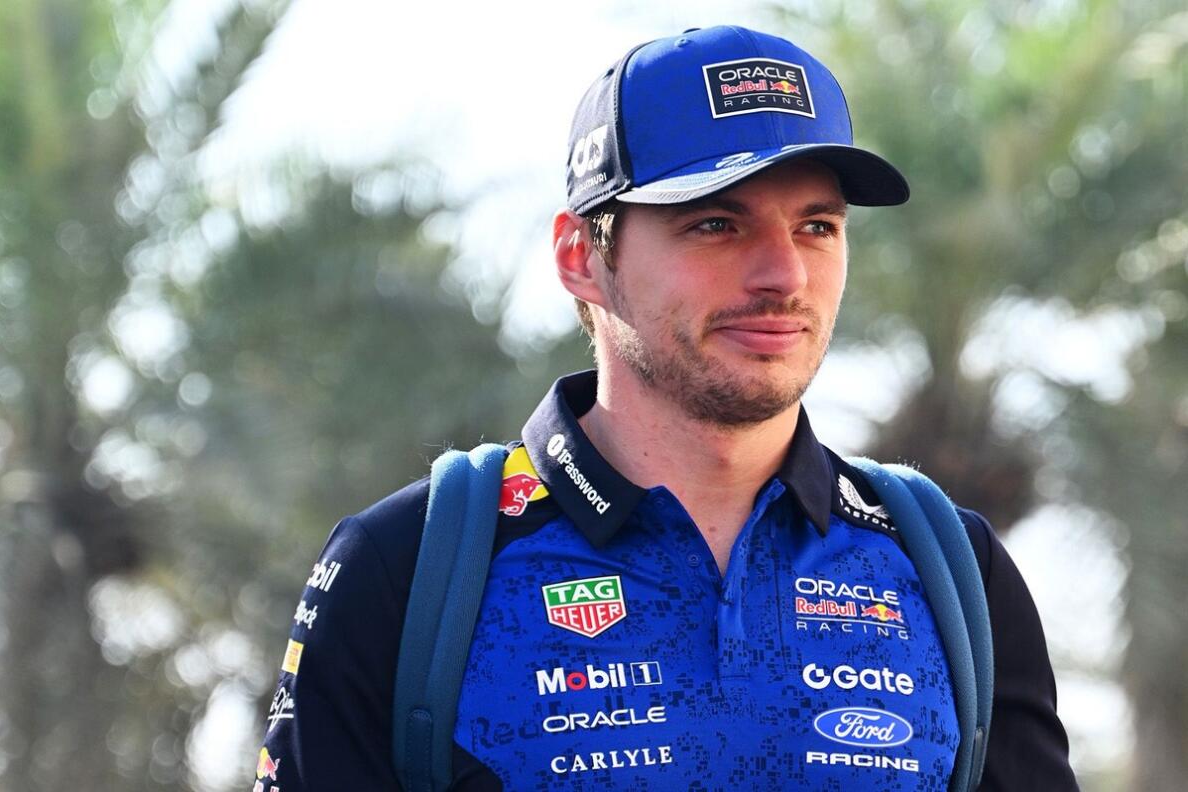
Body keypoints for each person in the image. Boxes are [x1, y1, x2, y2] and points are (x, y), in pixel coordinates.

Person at [252, 25, 1078, 791]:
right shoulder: (406, 567)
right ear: (581, 256)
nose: (784, 275)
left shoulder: (951, 568)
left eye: (818, 227)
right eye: (716, 223)